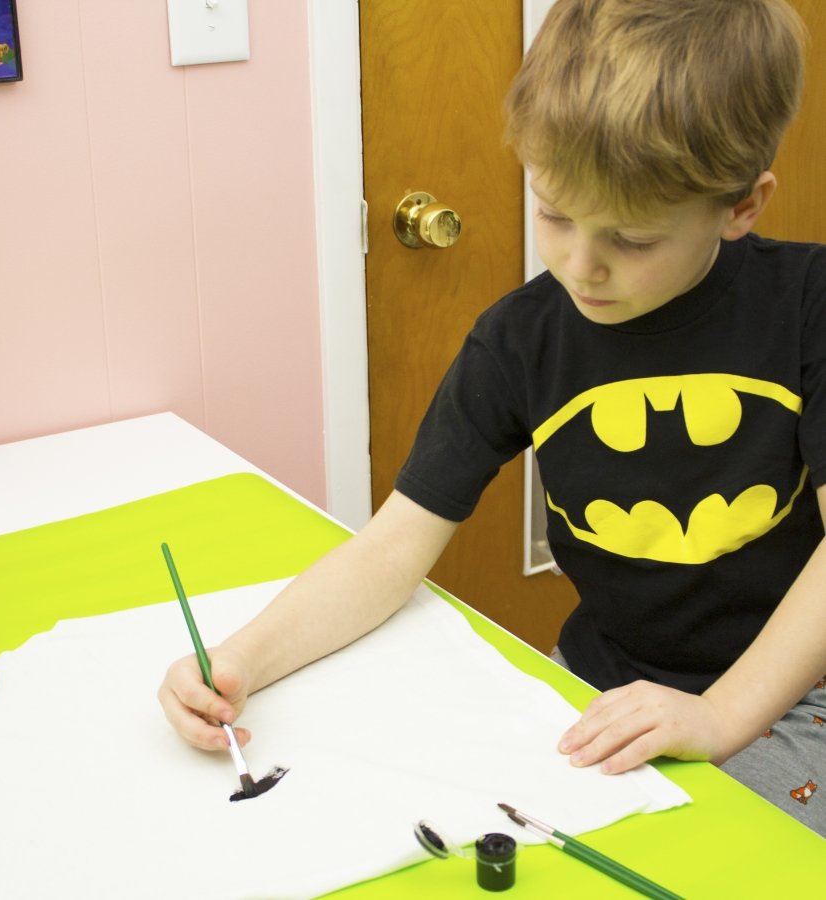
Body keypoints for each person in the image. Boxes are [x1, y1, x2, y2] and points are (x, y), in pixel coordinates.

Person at [160, 0, 826, 835]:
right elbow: (391, 549)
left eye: (632, 238)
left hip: (799, 696)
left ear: (742, 206)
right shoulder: (519, 339)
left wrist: (724, 716)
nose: (581, 266)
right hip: (602, 686)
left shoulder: (809, 307)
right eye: (553, 213)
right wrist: (238, 659)